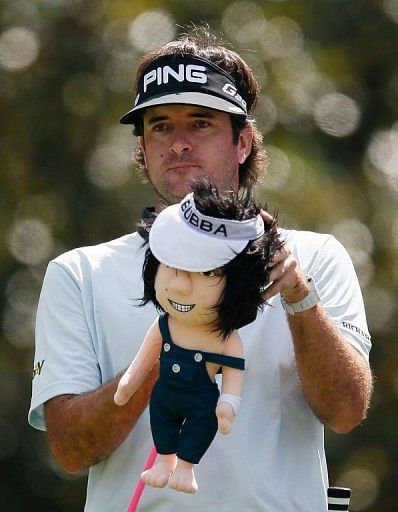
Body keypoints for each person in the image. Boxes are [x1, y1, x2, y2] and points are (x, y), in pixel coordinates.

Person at [28, 25, 373, 512]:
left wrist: (300, 297)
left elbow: (345, 412)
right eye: (160, 126)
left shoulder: (315, 259)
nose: (179, 143)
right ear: (142, 148)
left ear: (243, 142)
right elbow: (70, 448)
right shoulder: (79, 272)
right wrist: (174, 342)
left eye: (201, 123)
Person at [113, 179, 282, 494]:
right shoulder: (165, 326)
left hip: (203, 401)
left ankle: (186, 468)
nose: (178, 287)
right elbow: (144, 360)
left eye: (206, 274)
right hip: (165, 395)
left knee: (200, 428)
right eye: (171, 267)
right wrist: (128, 383)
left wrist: (228, 404)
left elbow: (232, 377)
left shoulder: (227, 340)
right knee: (161, 421)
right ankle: (165, 463)